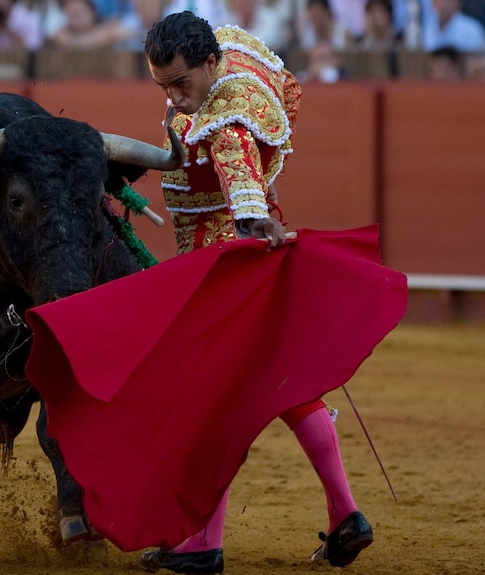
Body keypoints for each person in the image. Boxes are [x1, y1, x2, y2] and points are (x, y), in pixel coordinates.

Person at [139, 11, 373, 574]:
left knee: (210, 401)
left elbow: (234, 161)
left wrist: (250, 215)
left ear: (210, 65)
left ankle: (202, 544)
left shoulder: (226, 114)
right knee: (286, 386)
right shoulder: (236, 58)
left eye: (181, 83)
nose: (173, 98)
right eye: (162, 85)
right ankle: (346, 515)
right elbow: (280, 95)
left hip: (223, 268)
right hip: (252, 261)